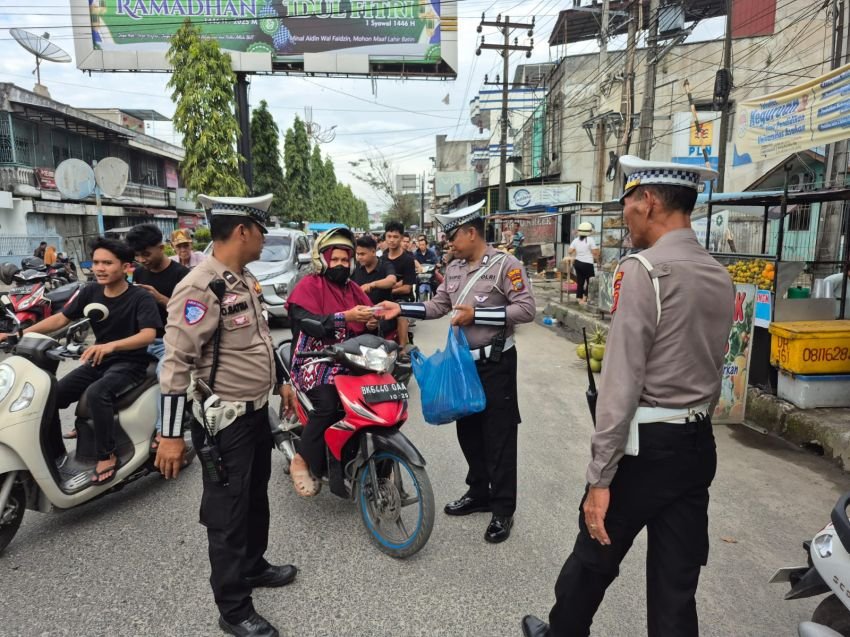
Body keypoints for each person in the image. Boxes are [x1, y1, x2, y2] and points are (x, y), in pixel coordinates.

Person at [521, 156, 735, 637]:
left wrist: (601, 477)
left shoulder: (644, 270)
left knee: (592, 560)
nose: (626, 220)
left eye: (629, 207)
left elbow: (620, 383)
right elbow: (712, 366)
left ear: (650, 201)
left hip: (644, 449)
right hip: (697, 447)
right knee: (676, 588)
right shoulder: (718, 275)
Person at [155, 194, 296, 637]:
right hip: (223, 421)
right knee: (228, 513)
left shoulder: (242, 278)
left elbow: (260, 342)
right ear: (242, 231)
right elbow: (176, 362)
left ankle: (253, 567)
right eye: (261, 230)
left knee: (256, 496)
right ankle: (233, 609)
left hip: (255, 414)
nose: (264, 238)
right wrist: (172, 436)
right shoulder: (201, 286)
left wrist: (281, 383)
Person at [379, 201, 536, 543]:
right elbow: (438, 306)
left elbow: (526, 311)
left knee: (500, 437)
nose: (449, 242)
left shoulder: (504, 266)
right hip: (463, 364)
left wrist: (476, 317)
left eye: (453, 236)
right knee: (469, 431)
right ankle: (478, 492)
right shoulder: (452, 269)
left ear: (471, 232)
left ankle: (503, 509)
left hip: (496, 364)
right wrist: (399, 308)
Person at [1, 237, 160, 483]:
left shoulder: (140, 297)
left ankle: (107, 456)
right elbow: (60, 320)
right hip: (98, 361)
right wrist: (19, 334)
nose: (99, 268)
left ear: (126, 267)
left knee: (98, 394)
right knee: (51, 395)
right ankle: (54, 455)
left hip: (131, 364)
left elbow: (148, 334)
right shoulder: (90, 291)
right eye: (96, 262)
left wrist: (111, 346)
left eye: (107, 263)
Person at [282, 228, 375, 496]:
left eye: (345, 260)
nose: (341, 265)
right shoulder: (308, 286)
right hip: (313, 358)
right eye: (335, 260)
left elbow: (368, 321)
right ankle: (301, 459)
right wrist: (345, 317)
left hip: (351, 357)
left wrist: (371, 320)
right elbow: (304, 323)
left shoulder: (354, 289)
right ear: (322, 260)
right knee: (328, 402)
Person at [126, 223, 190, 445]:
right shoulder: (139, 273)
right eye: (137, 256)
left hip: (171, 340)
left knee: (167, 373)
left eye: (146, 254)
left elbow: (192, 313)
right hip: (143, 339)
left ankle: (165, 431)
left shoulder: (183, 275)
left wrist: (160, 298)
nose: (142, 260)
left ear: (161, 248)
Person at [352, 235, 398, 337]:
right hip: (361, 312)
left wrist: (372, 285)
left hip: (382, 312)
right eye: (357, 254)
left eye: (362, 254)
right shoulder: (354, 268)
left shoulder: (386, 266)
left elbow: (391, 280)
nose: (359, 257)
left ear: (373, 252)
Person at [382, 221, 416, 349]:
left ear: (401, 238)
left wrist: (389, 290)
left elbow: (407, 287)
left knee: (401, 313)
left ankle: (402, 347)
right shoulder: (382, 258)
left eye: (395, 237)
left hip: (403, 299)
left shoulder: (408, 260)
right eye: (389, 236)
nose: (392, 240)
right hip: (384, 298)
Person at [568, 222, 600, 305]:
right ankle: (586, 298)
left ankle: (579, 299)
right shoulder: (590, 240)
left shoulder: (576, 240)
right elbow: (595, 253)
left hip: (577, 263)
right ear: (589, 232)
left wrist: (578, 251)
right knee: (590, 281)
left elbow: (570, 251)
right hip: (587, 263)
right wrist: (598, 258)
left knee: (580, 281)